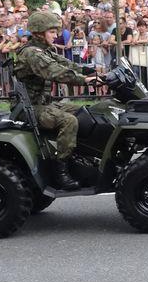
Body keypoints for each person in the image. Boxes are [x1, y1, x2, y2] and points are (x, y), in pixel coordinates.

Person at [12, 12, 96, 190]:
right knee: (69, 120)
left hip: (44, 103)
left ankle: (82, 158)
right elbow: (55, 72)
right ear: (39, 33)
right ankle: (60, 171)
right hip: (29, 109)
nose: (56, 35)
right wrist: (83, 80)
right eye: (51, 31)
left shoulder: (45, 50)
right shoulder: (31, 53)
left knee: (85, 112)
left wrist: (91, 70)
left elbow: (65, 63)